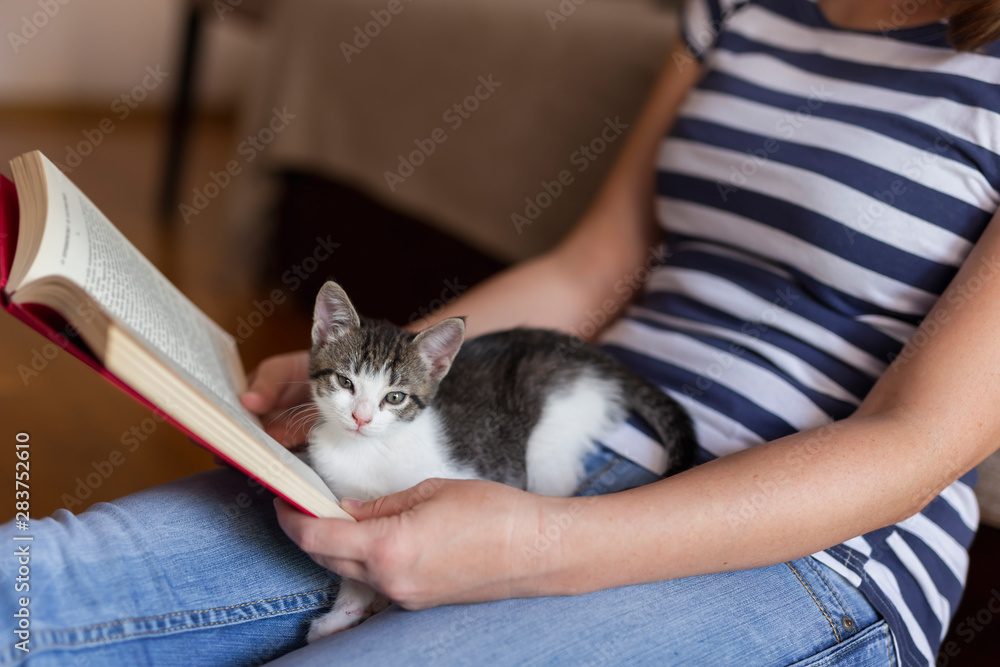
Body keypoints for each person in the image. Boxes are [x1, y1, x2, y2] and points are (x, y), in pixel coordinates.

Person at [3, 1, 999, 665]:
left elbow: (907, 444)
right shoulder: (739, 6)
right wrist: (364, 369)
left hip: (809, 547)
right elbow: (590, 271)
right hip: (540, 424)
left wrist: (535, 545)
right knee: (32, 589)